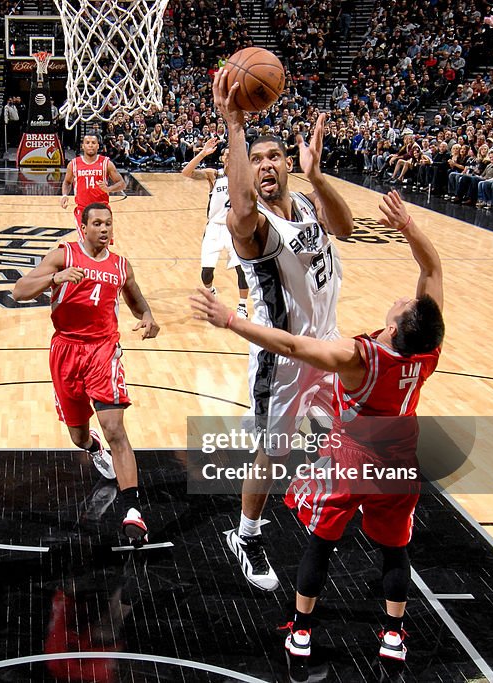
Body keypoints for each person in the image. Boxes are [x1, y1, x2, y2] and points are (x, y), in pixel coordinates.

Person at [191, 190, 444, 664]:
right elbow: (432, 271)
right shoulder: (427, 353)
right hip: (400, 462)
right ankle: (393, 635)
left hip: (352, 464)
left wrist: (232, 320)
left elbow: (290, 345)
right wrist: (409, 228)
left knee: (321, 545)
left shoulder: (358, 357)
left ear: (392, 330)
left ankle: (302, 628)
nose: (403, 299)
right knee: (395, 553)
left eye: (402, 306)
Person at [212, 67, 353, 591]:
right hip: (283, 358)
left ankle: (307, 493)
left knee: (339, 435)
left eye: (274, 157)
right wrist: (235, 126)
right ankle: (246, 535)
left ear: (287, 164)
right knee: (270, 451)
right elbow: (243, 209)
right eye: (256, 160)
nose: (266, 165)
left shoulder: (308, 204)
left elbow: (346, 228)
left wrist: (319, 178)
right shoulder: (252, 226)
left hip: (328, 346)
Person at [12, 203, 160, 542]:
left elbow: (137, 300)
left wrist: (149, 317)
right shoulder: (64, 255)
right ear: (83, 226)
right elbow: (18, 291)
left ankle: (133, 511)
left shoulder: (121, 265)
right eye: (97, 223)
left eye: (108, 223)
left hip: (103, 350)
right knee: (79, 436)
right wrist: (54, 278)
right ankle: (93, 448)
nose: (104, 229)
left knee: (114, 427)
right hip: (65, 350)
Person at [181, 136, 248, 319]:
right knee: (206, 272)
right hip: (214, 228)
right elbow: (186, 172)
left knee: (241, 268)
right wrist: (202, 153)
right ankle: (211, 291)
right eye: (226, 155)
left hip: (234, 229)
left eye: (232, 155)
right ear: (223, 158)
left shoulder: (245, 177)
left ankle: (242, 305)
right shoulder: (214, 174)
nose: (229, 158)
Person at [60, 134, 126, 240]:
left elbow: (122, 183)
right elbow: (67, 182)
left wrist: (109, 189)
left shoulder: (106, 163)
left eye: (93, 143)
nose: (90, 145)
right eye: (87, 143)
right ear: (83, 146)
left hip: (102, 210)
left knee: (101, 246)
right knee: (86, 243)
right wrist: (64, 195)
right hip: (82, 210)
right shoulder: (74, 164)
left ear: (98, 146)